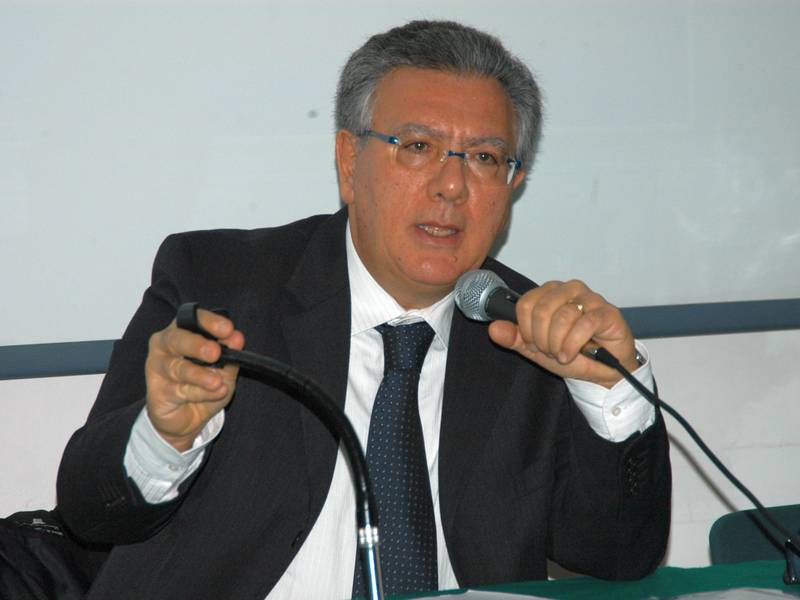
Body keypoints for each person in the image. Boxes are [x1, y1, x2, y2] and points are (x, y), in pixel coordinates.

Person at [56, 20, 670, 600]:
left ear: (513, 183)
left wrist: (611, 391)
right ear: (350, 162)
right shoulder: (220, 285)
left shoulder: (531, 333)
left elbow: (617, 557)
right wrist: (164, 436)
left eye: (485, 158)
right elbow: (88, 512)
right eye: (419, 146)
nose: (452, 186)